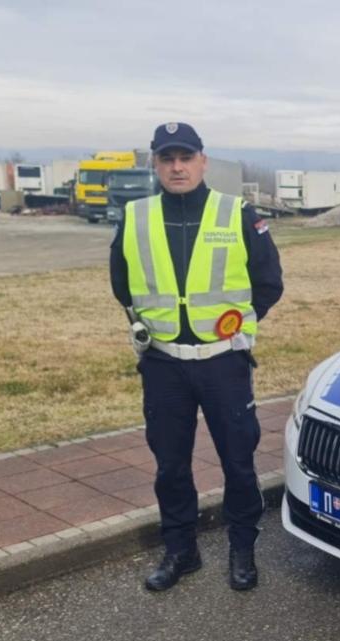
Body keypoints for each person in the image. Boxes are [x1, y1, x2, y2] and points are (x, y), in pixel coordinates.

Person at [109, 122, 284, 592]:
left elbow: (269, 283)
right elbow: (121, 285)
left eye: (186, 157)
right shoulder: (135, 217)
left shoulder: (238, 214)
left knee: (238, 463)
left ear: (203, 161)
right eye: (167, 159)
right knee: (170, 466)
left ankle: (242, 550)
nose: (177, 167)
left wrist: (240, 329)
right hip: (164, 365)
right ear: (156, 165)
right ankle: (180, 551)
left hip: (223, 362)